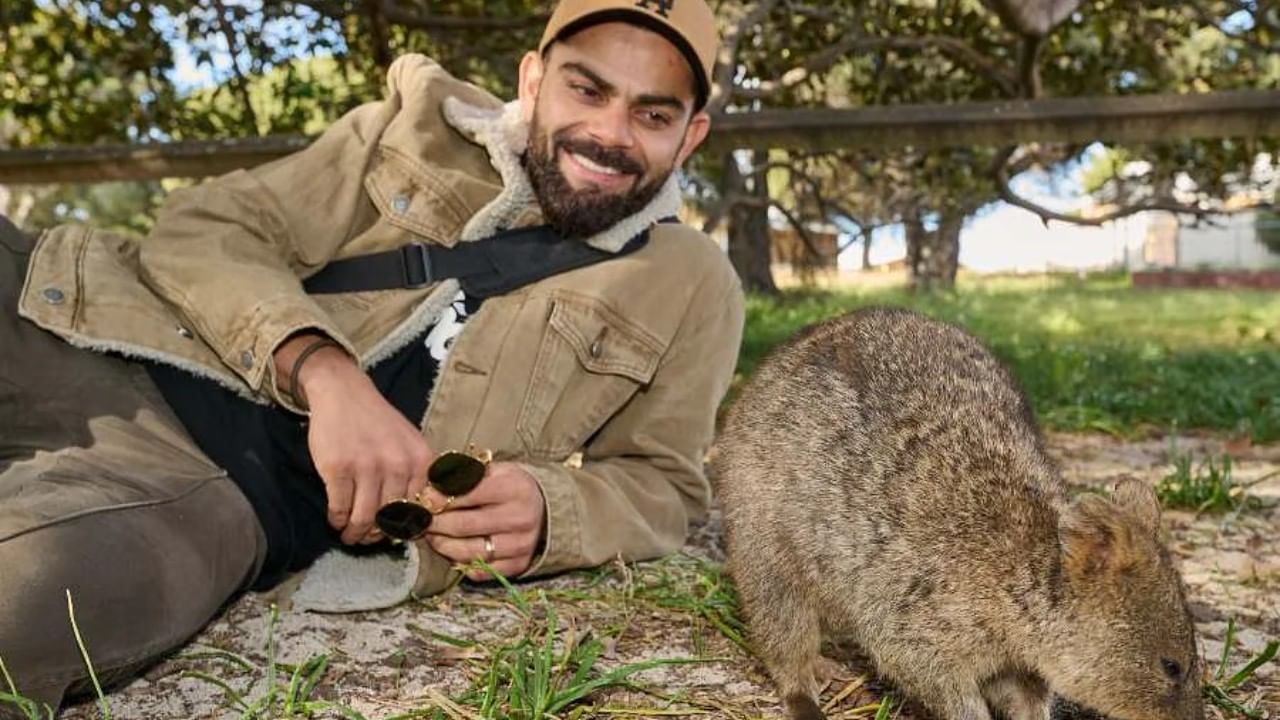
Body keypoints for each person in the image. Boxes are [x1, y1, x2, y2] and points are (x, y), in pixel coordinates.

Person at [0, 0, 744, 713]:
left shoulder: (691, 284)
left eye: (652, 114)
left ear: (691, 135)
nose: (607, 134)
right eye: (587, 89)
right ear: (533, 81)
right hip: (77, 312)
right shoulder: (409, 126)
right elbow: (207, 226)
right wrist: (325, 373)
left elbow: (665, 485)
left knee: (28, 602)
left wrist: (554, 512)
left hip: (210, 493)